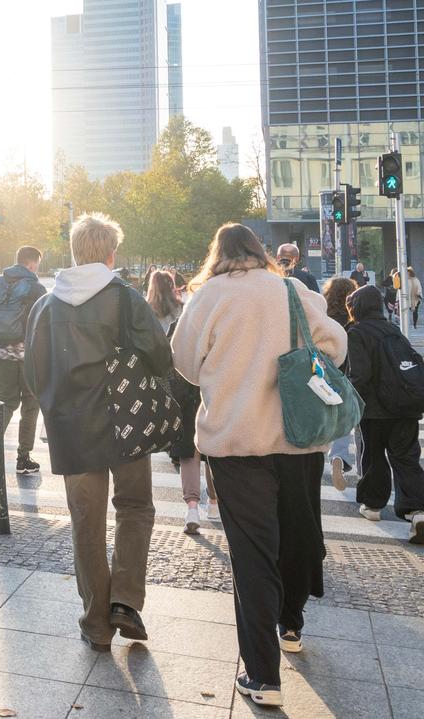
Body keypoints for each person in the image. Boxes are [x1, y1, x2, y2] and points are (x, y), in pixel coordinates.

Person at [172, 223, 346, 708]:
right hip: (297, 438)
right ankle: (291, 623)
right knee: (297, 534)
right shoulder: (291, 289)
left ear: (218, 254)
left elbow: (184, 360)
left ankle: (263, 676)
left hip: (236, 441)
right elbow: (336, 344)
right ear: (259, 251)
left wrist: (226, 366)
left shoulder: (207, 298)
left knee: (252, 555)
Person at [24, 214, 169, 653]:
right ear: (110, 254)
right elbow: (161, 356)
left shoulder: (46, 305)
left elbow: (33, 372)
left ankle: (96, 622)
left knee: (86, 523)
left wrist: (58, 408)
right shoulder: (124, 299)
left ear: (73, 252)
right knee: (136, 507)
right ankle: (125, 600)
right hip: (126, 421)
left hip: (72, 427)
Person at [344, 285, 424, 543]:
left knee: (374, 456)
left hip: (376, 410)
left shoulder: (356, 333)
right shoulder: (394, 331)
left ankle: (373, 505)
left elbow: (360, 375)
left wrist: (349, 401)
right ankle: (418, 511)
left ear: (356, 307)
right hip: (406, 407)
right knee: (406, 458)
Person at [147, 270, 217, 532]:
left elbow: (171, 360)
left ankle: (191, 508)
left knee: (188, 452)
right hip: (211, 392)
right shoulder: (215, 324)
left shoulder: (176, 323)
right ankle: (213, 501)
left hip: (184, 393)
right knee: (212, 452)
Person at [0, 246, 46, 476]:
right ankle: (23, 458)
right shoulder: (37, 289)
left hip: (0, 355)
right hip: (29, 357)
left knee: (5, 402)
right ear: (33, 263)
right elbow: (44, 327)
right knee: (30, 404)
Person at [323, 277, 358, 492]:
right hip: (347, 375)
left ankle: (317, 454)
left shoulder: (323, 317)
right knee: (343, 421)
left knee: (322, 418)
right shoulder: (353, 319)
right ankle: (338, 456)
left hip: (323, 374)